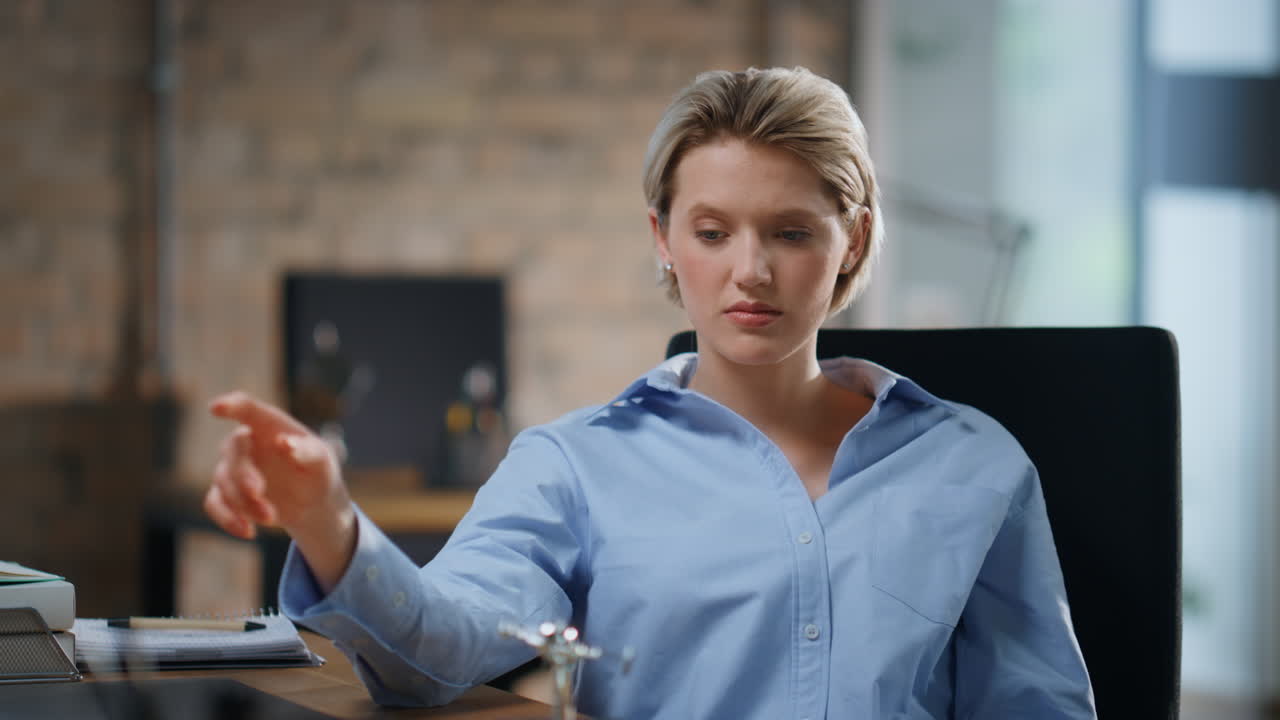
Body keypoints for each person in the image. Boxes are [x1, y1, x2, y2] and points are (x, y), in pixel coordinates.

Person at [203, 67, 1096, 719]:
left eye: (790, 231)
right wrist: (328, 521)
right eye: (712, 231)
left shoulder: (973, 465)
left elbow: (1040, 708)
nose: (750, 271)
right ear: (664, 238)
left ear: (853, 243)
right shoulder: (574, 466)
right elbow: (435, 657)